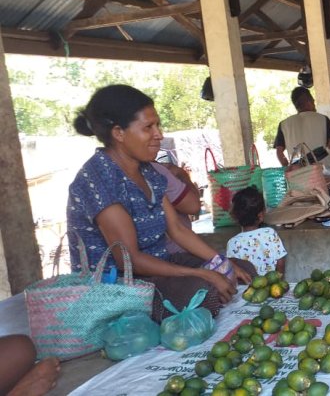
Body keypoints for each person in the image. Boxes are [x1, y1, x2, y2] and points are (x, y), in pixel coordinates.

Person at [67, 85, 254, 321]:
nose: (159, 135)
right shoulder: (100, 180)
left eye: (158, 125)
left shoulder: (148, 172)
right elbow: (131, 260)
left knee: (242, 270)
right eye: (148, 127)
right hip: (120, 285)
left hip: (159, 266)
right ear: (119, 133)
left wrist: (220, 263)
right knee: (205, 292)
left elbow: (176, 229)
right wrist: (203, 274)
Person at [274, 86, 330, 175]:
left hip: (299, 175)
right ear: (310, 101)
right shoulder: (322, 119)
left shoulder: (284, 124)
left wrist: (288, 168)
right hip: (324, 173)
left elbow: (279, 151)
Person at [226, 186, 286, 276]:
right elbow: (280, 261)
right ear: (261, 215)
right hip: (272, 286)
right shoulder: (270, 233)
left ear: (234, 217)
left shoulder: (233, 243)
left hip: (248, 289)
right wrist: (277, 281)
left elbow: (232, 270)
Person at [150, 161, 201, 255]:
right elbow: (193, 207)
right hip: (175, 254)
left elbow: (177, 230)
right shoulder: (155, 170)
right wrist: (181, 174)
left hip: (163, 256)